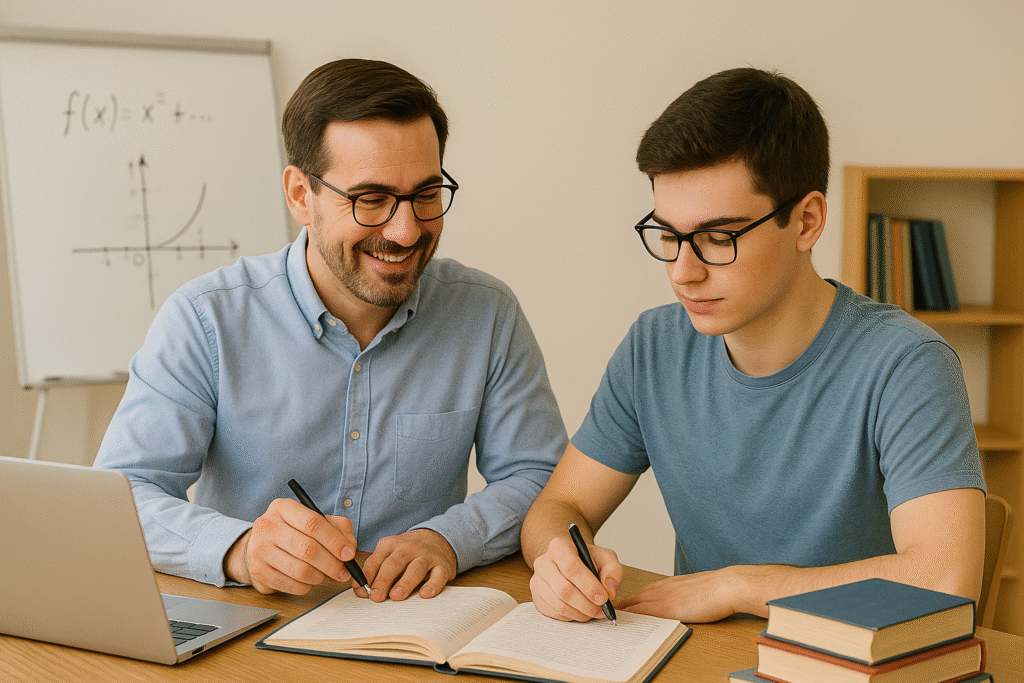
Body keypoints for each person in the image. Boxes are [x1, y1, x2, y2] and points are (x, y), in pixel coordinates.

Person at [521, 67, 986, 624]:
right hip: (706, 660)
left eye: (719, 238)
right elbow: (559, 507)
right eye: (668, 236)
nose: (682, 272)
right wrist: (560, 560)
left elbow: (946, 578)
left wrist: (740, 587)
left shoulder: (906, 364)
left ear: (807, 221)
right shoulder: (654, 346)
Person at [94, 59, 567, 601]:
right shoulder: (206, 319)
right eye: (371, 200)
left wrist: (446, 539)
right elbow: (121, 495)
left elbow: (539, 478)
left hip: (414, 624)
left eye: (426, 194)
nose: (405, 229)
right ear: (300, 195)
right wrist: (241, 549)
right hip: (250, 628)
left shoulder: (487, 314)